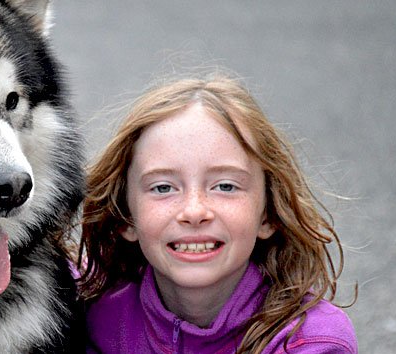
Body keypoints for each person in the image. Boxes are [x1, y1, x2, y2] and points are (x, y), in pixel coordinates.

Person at [76, 74, 357, 353]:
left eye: (225, 186)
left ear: (268, 213)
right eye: (163, 187)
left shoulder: (310, 341)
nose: (194, 211)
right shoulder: (93, 312)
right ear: (125, 215)